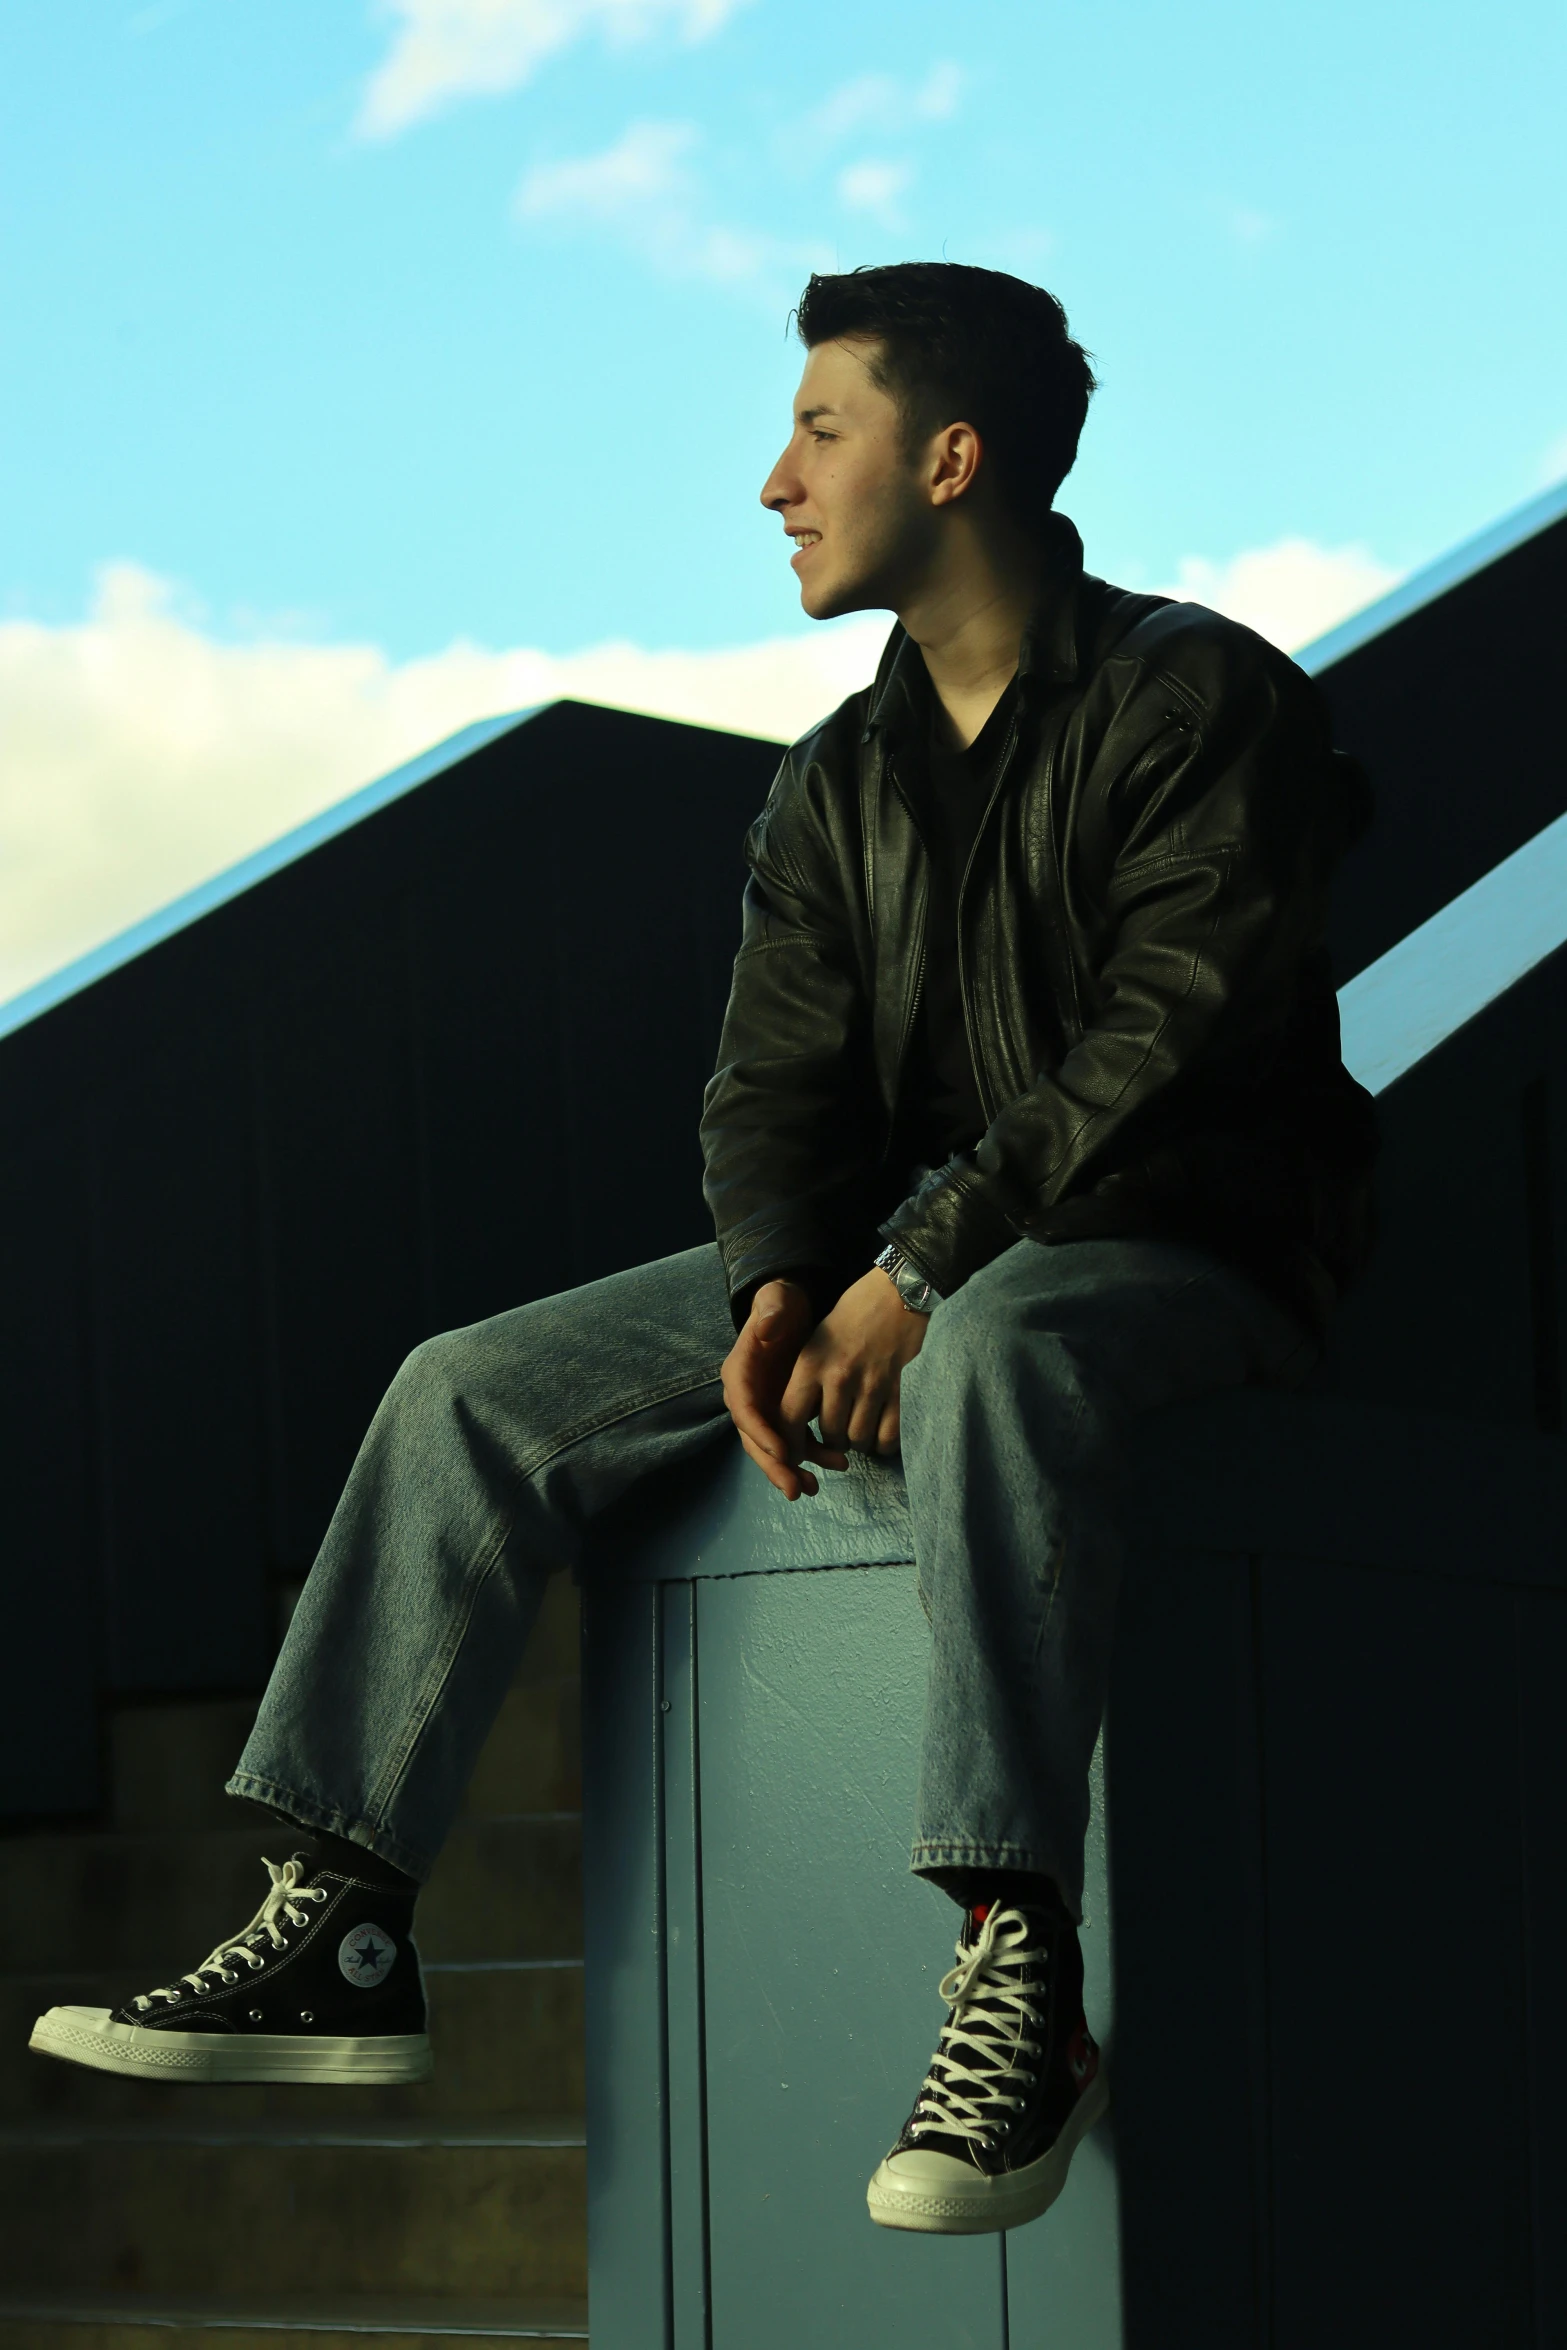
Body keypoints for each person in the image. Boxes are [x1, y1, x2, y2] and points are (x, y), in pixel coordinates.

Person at [29, 262, 1376, 2239]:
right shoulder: (836, 782)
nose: (775, 479)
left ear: (952, 452)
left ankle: (1020, 1969)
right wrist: (774, 1286)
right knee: (466, 1384)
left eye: (819, 428)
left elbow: (1162, 1035)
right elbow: (771, 1086)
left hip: (1183, 1241)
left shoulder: (1203, 694)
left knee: (994, 1343)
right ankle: (348, 1916)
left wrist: (912, 1271)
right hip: (906, 1254)